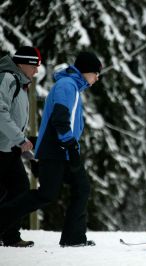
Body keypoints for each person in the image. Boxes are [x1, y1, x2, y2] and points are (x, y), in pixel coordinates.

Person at [0, 51, 102, 247]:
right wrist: (70, 145)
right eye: (96, 73)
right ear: (86, 71)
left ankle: (73, 238)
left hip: (61, 149)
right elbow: (60, 118)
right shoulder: (67, 85)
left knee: (79, 188)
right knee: (47, 194)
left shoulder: (73, 87)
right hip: (58, 150)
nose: (97, 78)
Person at [0, 46, 41, 247]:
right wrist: (20, 139)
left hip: (9, 149)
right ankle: (9, 235)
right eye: (35, 66)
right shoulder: (8, 79)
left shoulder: (21, 82)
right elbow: (0, 112)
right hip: (2, 148)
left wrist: (23, 144)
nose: (37, 71)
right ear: (24, 64)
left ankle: (10, 236)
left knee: (19, 189)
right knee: (17, 189)